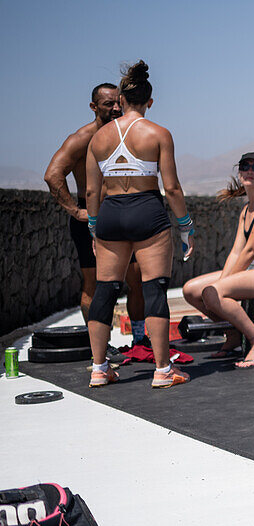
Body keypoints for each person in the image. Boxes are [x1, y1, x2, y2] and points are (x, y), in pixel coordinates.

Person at [85, 61, 193, 388]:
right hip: (148, 210)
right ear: (149, 101)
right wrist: (186, 227)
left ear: (120, 101)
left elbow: (92, 190)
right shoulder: (158, 133)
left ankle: (99, 369)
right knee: (154, 289)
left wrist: (94, 227)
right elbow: (171, 188)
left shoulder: (98, 138)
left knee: (105, 291)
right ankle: (162, 371)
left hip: (111, 214)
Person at [44, 84, 146, 342]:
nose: (114, 108)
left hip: (124, 214)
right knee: (95, 283)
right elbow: (53, 175)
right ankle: (100, 346)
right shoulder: (82, 138)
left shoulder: (126, 133)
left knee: (137, 279)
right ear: (93, 107)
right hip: (92, 219)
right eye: (107, 104)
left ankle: (139, 339)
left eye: (117, 103)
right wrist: (75, 211)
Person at [182, 152, 254, 367]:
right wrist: (221, 283)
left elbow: (250, 250)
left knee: (214, 292)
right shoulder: (245, 211)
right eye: (245, 166)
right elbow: (235, 252)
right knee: (191, 290)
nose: (250, 170)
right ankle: (232, 333)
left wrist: (219, 287)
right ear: (239, 172)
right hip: (253, 269)